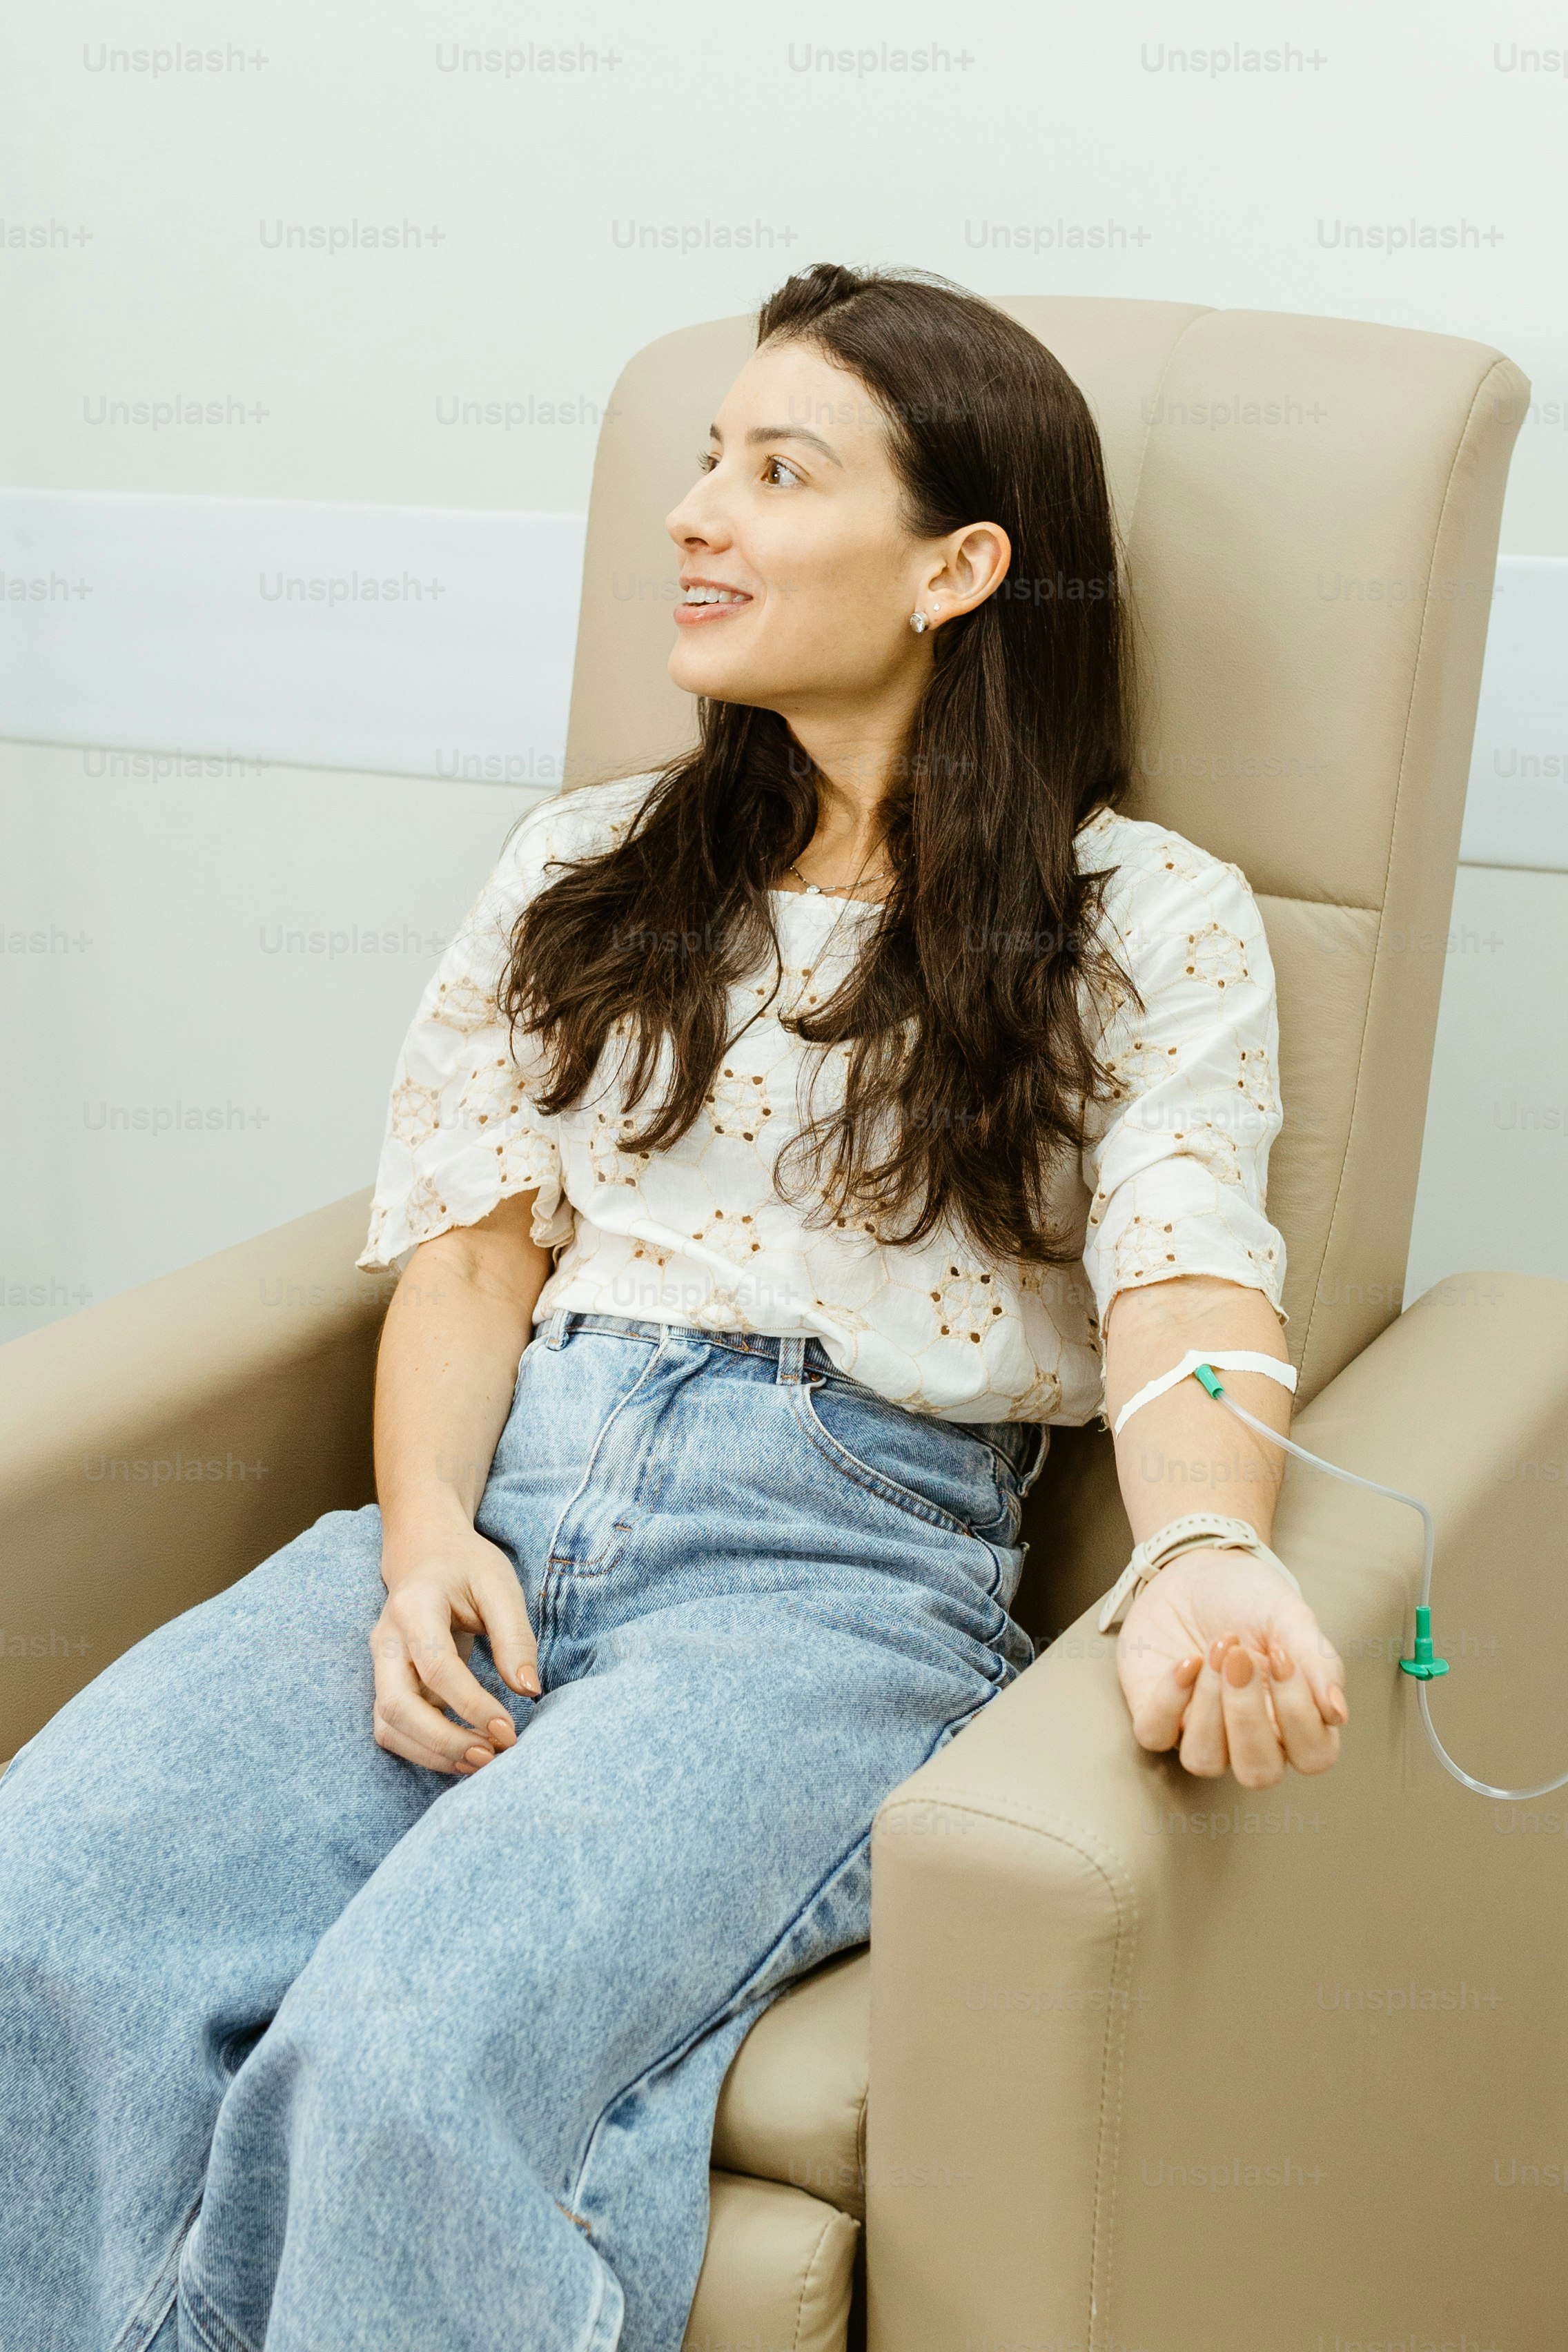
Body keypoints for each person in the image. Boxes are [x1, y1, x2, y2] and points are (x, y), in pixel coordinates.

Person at [0, 264, 1346, 2352]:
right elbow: (472, 1251)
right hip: (509, 1509)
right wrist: (429, 1536)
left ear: (957, 568)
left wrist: (1197, 1544)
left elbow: (1184, 1268)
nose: (692, 515)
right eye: (705, 459)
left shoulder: (1140, 914)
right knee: (38, 1904)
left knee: (405, 2061)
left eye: (775, 472)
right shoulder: (591, 862)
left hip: (826, 1583)